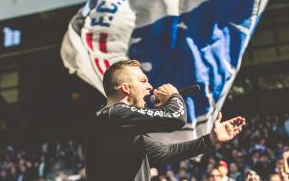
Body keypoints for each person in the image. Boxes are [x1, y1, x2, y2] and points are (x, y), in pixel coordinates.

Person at [85, 60, 246, 181]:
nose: (150, 86)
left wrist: (211, 139)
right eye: (143, 81)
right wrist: (173, 95)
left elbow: (166, 152)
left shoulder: (118, 124)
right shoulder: (114, 114)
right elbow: (176, 118)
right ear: (126, 88)